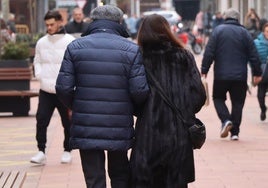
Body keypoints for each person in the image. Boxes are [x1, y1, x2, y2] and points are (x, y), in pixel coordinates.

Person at [55, 5, 149, 188]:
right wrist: (130, 107)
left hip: (86, 122)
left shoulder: (75, 47)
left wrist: (78, 105)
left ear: (92, 21)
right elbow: (139, 90)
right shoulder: (131, 49)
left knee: (93, 178)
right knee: (120, 174)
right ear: (119, 22)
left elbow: (63, 88)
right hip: (119, 123)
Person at [130, 14, 206, 188]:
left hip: (148, 134)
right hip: (178, 134)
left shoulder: (138, 57)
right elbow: (199, 95)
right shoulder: (184, 56)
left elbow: (134, 94)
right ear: (167, 30)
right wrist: (184, 108)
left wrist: (144, 111)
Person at [201, 8, 262, 141]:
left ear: (225, 18)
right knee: (238, 102)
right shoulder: (245, 33)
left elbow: (209, 52)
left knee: (218, 98)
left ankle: (226, 120)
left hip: (221, 75)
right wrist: (257, 73)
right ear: (237, 19)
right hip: (240, 76)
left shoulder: (218, 31)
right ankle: (235, 132)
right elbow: (254, 55)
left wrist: (204, 69)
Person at [30, 10, 75, 164]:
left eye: (52, 24)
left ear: (60, 22)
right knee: (41, 120)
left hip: (64, 90)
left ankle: (67, 150)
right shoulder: (41, 42)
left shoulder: (70, 41)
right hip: (46, 89)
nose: (49, 27)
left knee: (67, 122)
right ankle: (41, 151)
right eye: (47, 25)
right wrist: (39, 75)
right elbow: (36, 60)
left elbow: (75, 64)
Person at [254, 23, 268, 121]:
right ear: (264, 32)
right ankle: (263, 109)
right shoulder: (257, 43)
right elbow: (253, 58)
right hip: (263, 73)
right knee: (260, 96)